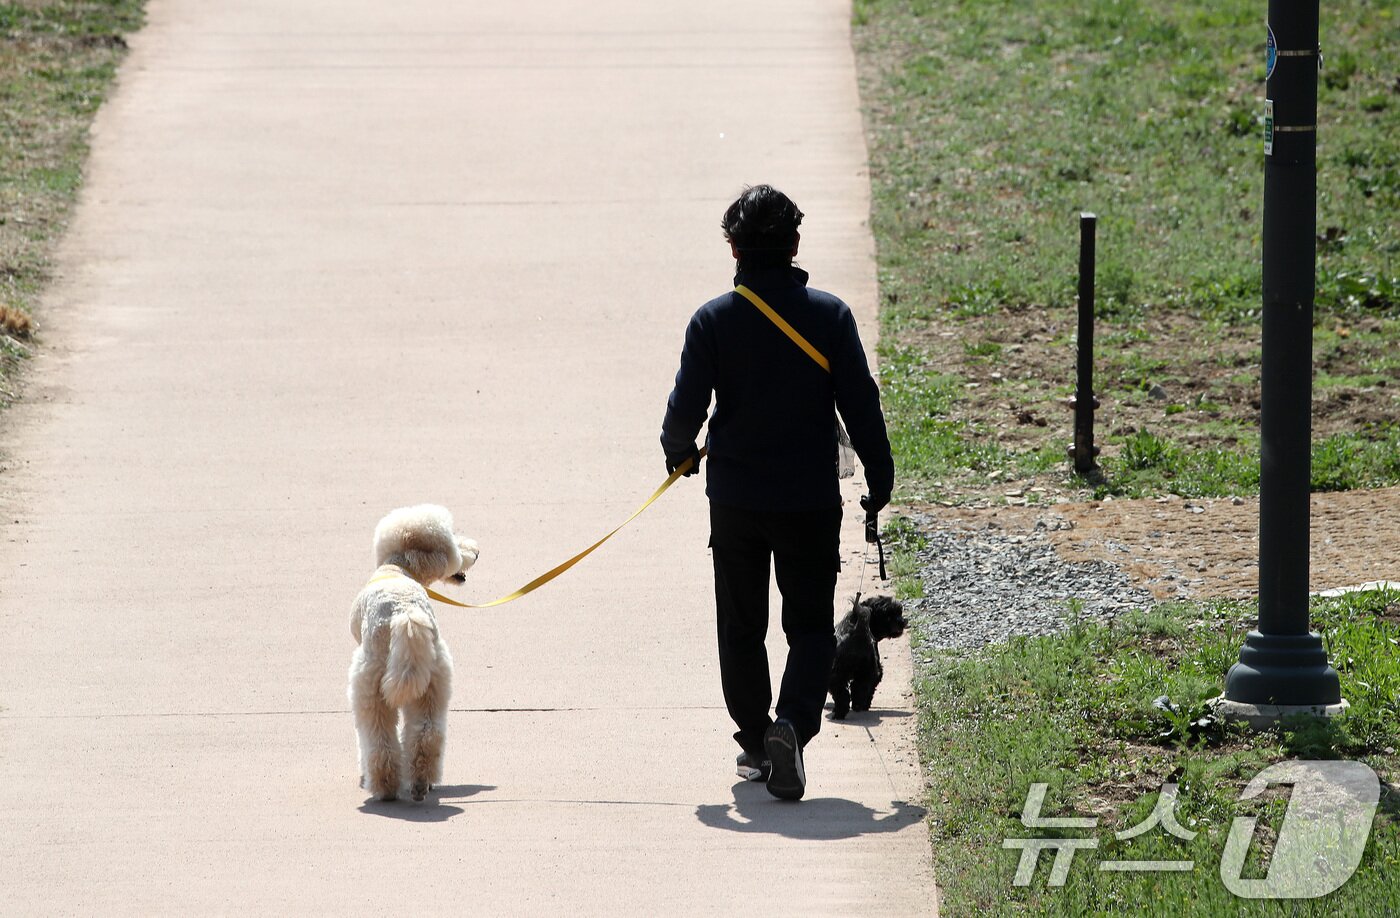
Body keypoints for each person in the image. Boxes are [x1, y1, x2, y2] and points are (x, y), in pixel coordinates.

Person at [660, 184, 894, 800]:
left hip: (736, 499)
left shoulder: (713, 320)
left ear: (734, 249)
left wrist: (679, 454)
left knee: (741, 625)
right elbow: (861, 404)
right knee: (810, 627)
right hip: (808, 499)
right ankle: (791, 723)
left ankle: (755, 737)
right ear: (794, 245)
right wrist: (879, 472)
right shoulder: (830, 316)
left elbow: (685, 409)